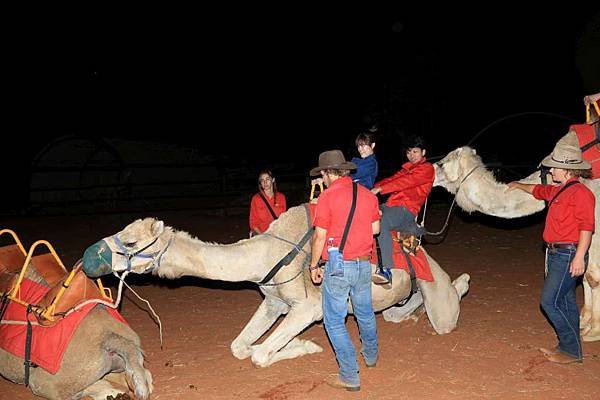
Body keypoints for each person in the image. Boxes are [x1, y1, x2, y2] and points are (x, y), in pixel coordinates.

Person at [506, 144, 595, 364]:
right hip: (557, 254)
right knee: (565, 302)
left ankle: (570, 349)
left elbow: (587, 227)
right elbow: (538, 190)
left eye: (554, 168)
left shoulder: (582, 193)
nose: (550, 171)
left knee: (549, 302)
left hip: (569, 254)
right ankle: (570, 349)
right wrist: (518, 185)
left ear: (567, 170)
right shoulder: (559, 189)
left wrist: (578, 257)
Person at [308, 150, 380, 392]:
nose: (324, 179)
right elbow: (376, 228)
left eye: (324, 174)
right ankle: (370, 355)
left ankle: (349, 375)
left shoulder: (327, 197)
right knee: (365, 312)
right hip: (362, 262)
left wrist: (314, 265)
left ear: (329, 173)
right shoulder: (368, 194)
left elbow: (320, 236)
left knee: (334, 321)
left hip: (338, 264)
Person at [370, 135, 434, 284]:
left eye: (415, 152)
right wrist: (368, 188)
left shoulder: (427, 169)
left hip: (407, 210)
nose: (411, 155)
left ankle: (386, 268)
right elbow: (392, 179)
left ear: (423, 152)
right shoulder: (406, 169)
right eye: (409, 152)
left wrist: (381, 189)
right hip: (391, 206)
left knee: (381, 222)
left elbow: (405, 182)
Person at [249, 169, 287, 236]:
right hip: (261, 234)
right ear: (260, 183)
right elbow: (253, 222)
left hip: (278, 235)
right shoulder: (256, 199)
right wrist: (262, 236)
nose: (265, 182)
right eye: (262, 180)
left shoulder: (281, 197)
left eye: (267, 179)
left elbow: (284, 220)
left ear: (273, 180)